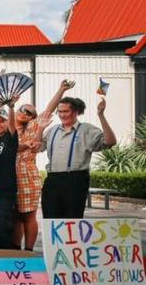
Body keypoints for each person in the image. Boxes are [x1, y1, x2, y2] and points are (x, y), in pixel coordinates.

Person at [39, 80, 116, 219]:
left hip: (75, 179)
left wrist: (101, 115)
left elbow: (110, 141)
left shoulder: (87, 129)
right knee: (50, 219)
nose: (62, 115)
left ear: (75, 112)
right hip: (53, 179)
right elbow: (36, 147)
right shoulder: (53, 130)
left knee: (72, 218)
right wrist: (40, 128)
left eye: (66, 111)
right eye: (60, 112)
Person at [0, 103, 20, 249]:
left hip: (6, 190)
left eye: (2, 121)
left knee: (3, 225)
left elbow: (13, 127)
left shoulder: (10, 138)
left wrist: (12, 108)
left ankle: (7, 256)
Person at [14, 103, 44, 250]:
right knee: (16, 217)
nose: (24, 113)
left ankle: (29, 250)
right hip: (9, 176)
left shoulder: (32, 128)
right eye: (22, 109)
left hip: (27, 174)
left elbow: (48, 111)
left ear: (32, 118)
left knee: (28, 216)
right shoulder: (7, 125)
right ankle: (17, 250)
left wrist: (61, 90)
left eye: (29, 113)